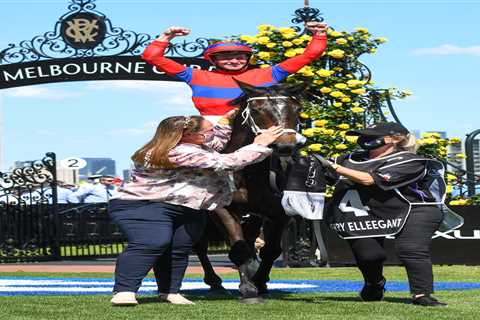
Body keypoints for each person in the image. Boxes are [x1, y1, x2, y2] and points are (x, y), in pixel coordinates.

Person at [108, 111, 283, 306]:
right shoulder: (176, 152)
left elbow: (217, 142)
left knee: (178, 248)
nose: (212, 135)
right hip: (145, 205)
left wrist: (227, 119)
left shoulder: (196, 144)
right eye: (208, 132)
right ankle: (124, 291)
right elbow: (227, 162)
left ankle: (170, 291)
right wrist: (260, 143)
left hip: (185, 207)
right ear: (187, 135)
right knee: (152, 242)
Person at [318, 122, 448, 307]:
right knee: (369, 256)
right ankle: (374, 284)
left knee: (410, 249)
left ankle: (422, 294)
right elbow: (325, 177)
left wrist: (333, 167)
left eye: (371, 135)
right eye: (362, 135)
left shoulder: (411, 161)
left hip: (414, 208)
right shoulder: (348, 158)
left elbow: (369, 179)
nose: (364, 139)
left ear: (394, 139)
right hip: (367, 210)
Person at [141, 22, 328, 123]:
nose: (233, 60)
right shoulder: (196, 75)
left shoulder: (269, 74)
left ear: (248, 59)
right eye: (226, 57)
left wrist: (319, 34)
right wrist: (167, 36)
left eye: (240, 56)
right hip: (210, 129)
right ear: (213, 61)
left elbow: (311, 54)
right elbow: (151, 57)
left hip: (261, 129)